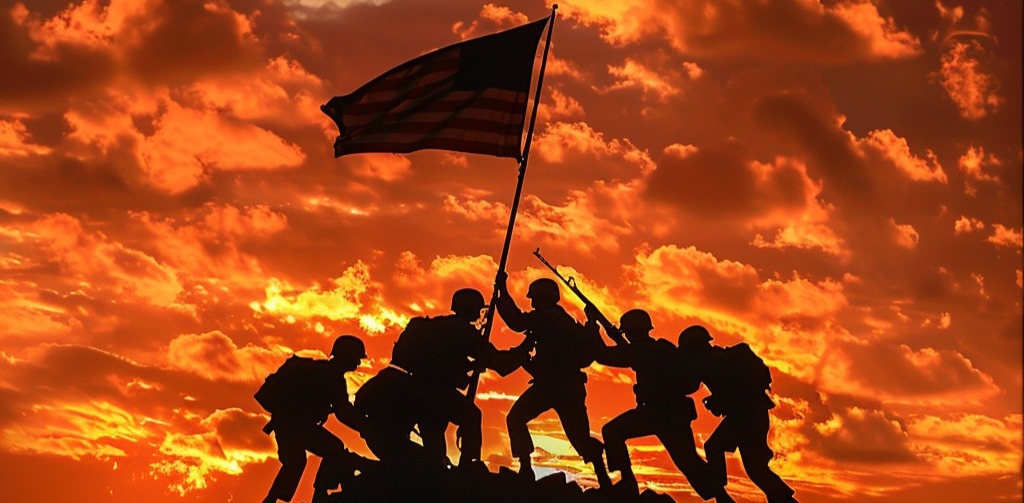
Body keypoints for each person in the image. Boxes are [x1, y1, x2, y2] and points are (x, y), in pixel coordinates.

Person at [356, 288, 527, 468]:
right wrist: (524, 350)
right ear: (470, 308)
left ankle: (436, 470)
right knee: (471, 416)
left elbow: (441, 360)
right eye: (477, 308)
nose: (479, 313)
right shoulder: (464, 331)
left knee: (434, 438)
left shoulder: (437, 326)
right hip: (434, 392)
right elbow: (501, 364)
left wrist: (469, 367)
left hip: (416, 392)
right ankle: (469, 466)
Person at [593, 309, 733, 502]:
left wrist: (592, 327)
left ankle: (627, 483)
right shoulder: (660, 347)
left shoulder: (641, 350)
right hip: (672, 413)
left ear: (633, 332)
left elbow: (605, 356)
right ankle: (722, 496)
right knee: (688, 461)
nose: (627, 336)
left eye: (627, 333)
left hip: (657, 413)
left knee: (612, 432)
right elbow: (632, 356)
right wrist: (617, 340)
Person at [494, 272, 611, 487]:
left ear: (543, 298)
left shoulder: (545, 316)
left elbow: (516, 321)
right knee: (579, 438)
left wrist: (502, 291)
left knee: (516, 418)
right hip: (568, 386)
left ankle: (526, 470)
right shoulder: (561, 317)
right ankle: (604, 479)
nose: (532, 302)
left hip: (552, 385)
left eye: (534, 298)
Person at [678, 325, 798, 503]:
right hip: (756, 413)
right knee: (756, 468)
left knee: (714, 447)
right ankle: (782, 498)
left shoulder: (707, 362)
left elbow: (689, 384)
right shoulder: (720, 358)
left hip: (745, 416)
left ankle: (720, 494)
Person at [255, 335, 371, 503]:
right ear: (346, 355)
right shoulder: (332, 376)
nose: (358, 363)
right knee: (327, 451)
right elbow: (343, 412)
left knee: (298, 460)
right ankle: (319, 494)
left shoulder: (326, 372)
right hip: (294, 424)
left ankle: (276, 499)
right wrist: (366, 426)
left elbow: (342, 410)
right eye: (356, 358)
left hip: (292, 423)